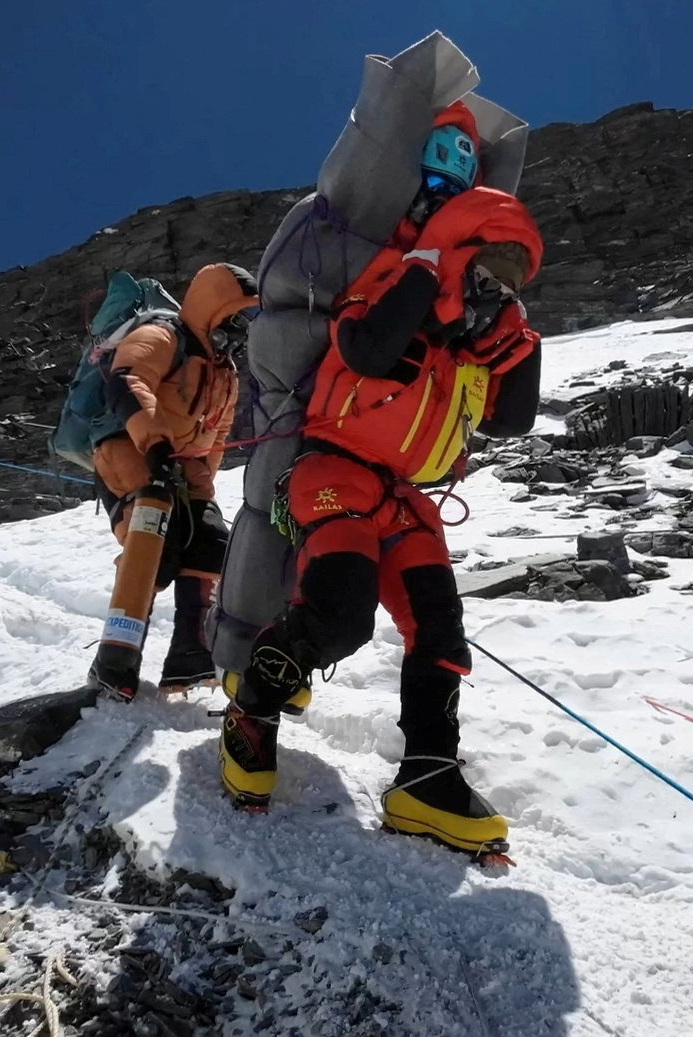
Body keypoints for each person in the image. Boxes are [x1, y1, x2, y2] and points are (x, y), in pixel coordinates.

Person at [219, 153, 545, 858]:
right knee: (340, 616)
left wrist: (521, 343)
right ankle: (251, 710)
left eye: (509, 285)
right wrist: (428, 268)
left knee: (440, 633)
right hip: (332, 471)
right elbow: (366, 351)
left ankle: (426, 778)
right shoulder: (392, 286)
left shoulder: (473, 350)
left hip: (404, 498)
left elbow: (512, 421)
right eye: (486, 273)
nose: (494, 293)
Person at [89, 262, 258, 696]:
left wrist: (202, 488)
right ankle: (114, 661)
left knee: (210, 542)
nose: (238, 331)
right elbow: (127, 381)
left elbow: (217, 434)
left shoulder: (225, 373)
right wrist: (156, 445)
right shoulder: (162, 336)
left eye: (245, 322)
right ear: (213, 310)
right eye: (233, 318)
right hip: (130, 450)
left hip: (182, 468)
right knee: (153, 543)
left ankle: (192, 654)